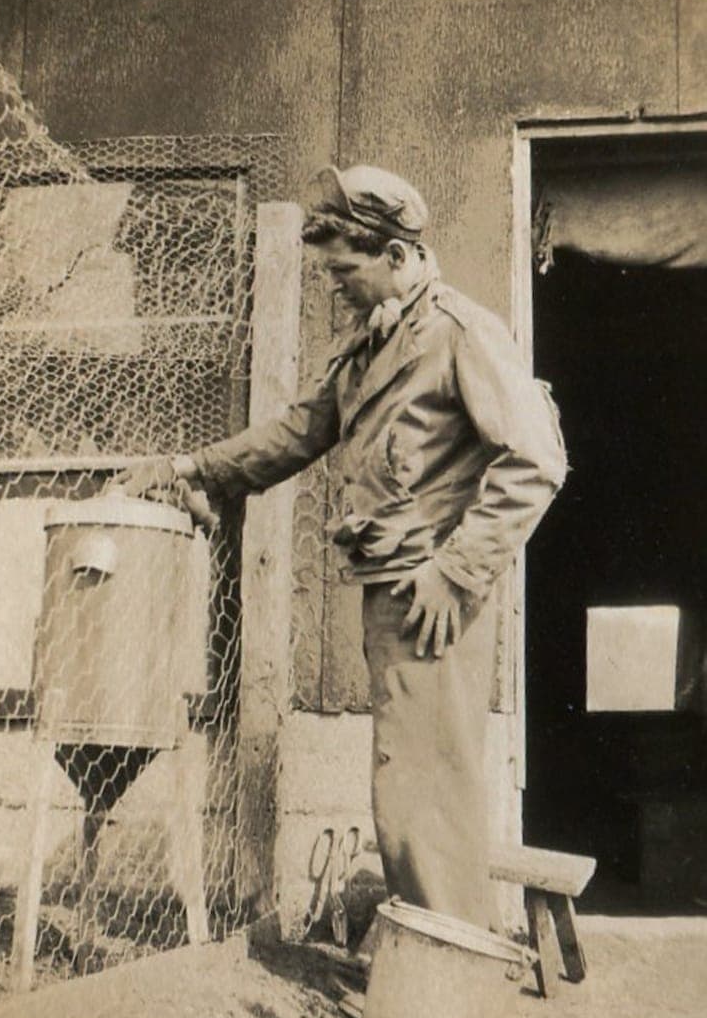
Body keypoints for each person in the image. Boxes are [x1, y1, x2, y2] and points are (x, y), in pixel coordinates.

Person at [117, 164, 567, 931]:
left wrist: (454, 574)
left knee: (424, 790)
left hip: (431, 596)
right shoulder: (374, 341)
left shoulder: (459, 332)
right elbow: (301, 429)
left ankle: (444, 980)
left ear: (396, 255)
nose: (335, 287)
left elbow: (537, 460)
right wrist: (195, 468)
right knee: (406, 787)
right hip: (392, 584)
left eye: (344, 269)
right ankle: (436, 964)